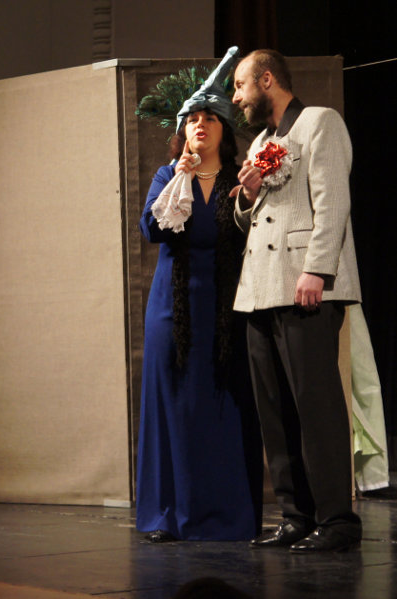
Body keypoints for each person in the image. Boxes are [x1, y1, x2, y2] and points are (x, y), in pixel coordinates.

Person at [231, 49, 363, 552]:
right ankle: (296, 516)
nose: (237, 98)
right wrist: (247, 196)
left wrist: (317, 269)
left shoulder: (318, 123)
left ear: (267, 80)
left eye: (241, 86)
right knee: (276, 410)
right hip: (261, 288)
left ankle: (337, 521)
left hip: (303, 283)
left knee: (316, 405)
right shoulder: (263, 141)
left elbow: (333, 201)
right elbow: (253, 217)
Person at [137, 47, 263, 542]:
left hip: (229, 312)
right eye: (193, 119)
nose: (201, 125)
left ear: (224, 130)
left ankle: (228, 515)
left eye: (210, 118)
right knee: (174, 411)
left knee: (224, 411)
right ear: (182, 131)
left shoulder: (240, 179)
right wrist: (182, 177)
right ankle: (167, 514)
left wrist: (251, 195)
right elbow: (153, 228)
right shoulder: (168, 177)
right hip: (174, 312)